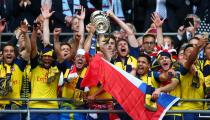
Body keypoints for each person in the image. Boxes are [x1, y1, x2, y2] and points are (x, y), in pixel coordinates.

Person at [0, 21, 31, 120]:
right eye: (6, 51)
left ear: (15, 53)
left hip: (14, 109)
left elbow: (28, 50)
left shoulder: (19, 65)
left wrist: (25, 34)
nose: (9, 53)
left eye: (11, 51)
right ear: (2, 54)